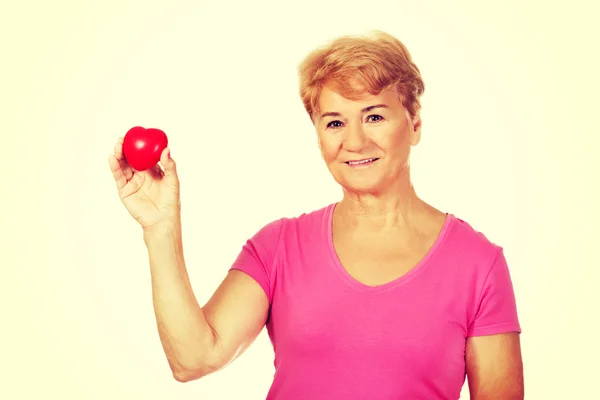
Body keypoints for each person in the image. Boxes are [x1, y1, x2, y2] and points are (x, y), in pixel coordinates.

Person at [108, 30, 524, 400]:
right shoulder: (278, 247)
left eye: (374, 116)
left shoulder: (478, 264)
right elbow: (193, 359)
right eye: (335, 122)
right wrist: (160, 228)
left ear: (414, 123)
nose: (355, 141)